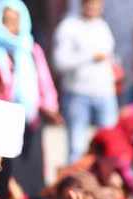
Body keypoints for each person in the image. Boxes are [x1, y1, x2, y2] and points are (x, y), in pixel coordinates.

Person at [0, 0, 59, 197]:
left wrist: (49, 106)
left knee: (32, 172)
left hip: (31, 122)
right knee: (8, 174)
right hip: (2, 123)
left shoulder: (31, 49)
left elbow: (44, 81)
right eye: (6, 21)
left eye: (15, 20)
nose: (11, 26)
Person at [52, 0, 118, 162]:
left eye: (97, 3)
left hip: (105, 93)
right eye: (90, 3)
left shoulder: (102, 26)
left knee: (110, 145)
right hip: (78, 94)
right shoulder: (69, 26)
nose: (93, 7)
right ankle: (76, 184)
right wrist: (89, 56)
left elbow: (108, 57)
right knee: (77, 148)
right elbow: (59, 61)